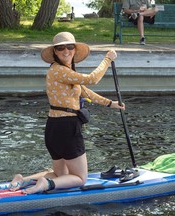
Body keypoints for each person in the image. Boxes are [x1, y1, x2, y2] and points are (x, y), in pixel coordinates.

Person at [9, 32, 125, 194]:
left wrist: (109, 103)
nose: (66, 51)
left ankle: (23, 181)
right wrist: (107, 59)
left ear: (74, 49)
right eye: (60, 48)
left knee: (60, 174)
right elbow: (92, 79)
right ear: (55, 52)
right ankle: (45, 184)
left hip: (54, 127)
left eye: (70, 47)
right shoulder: (59, 71)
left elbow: (85, 91)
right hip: (67, 127)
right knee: (79, 178)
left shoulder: (63, 72)